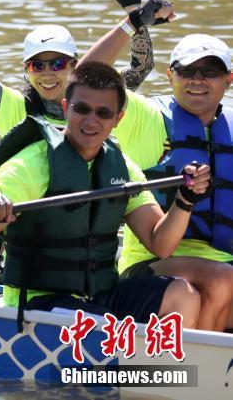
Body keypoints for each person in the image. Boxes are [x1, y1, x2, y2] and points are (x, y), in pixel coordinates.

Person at [0, 62, 207, 330]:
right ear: (65, 108)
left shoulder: (123, 168)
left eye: (103, 113)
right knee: (100, 324)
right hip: (39, 302)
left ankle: (157, 370)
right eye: (81, 109)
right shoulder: (29, 166)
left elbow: (160, 244)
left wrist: (185, 201)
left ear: (118, 118)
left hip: (99, 296)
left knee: (183, 295)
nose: (91, 120)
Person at [81, 30, 233, 332]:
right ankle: (197, 371)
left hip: (224, 259)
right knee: (222, 279)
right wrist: (131, 23)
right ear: (169, 76)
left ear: (229, 78)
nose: (197, 79)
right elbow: (85, 77)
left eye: (210, 71)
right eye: (186, 70)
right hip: (150, 263)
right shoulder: (145, 116)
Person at [0, 0, 170, 137]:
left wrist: (135, 12)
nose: (47, 74)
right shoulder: (13, 107)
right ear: (26, 70)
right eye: (37, 66)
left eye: (58, 64)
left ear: (74, 65)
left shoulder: (100, 98)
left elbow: (141, 67)